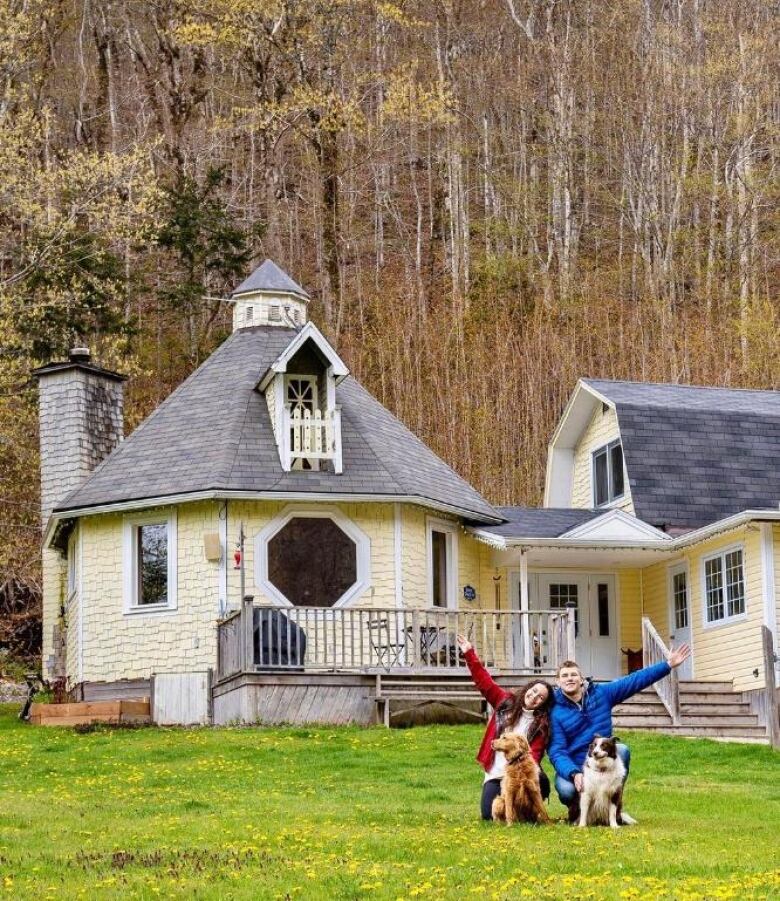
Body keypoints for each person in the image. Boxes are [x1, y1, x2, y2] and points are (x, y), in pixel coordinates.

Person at [549, 644, 691, 824]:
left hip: (603, 760)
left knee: (622, 750)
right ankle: (580, 811)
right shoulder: (554, 712)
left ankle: (613, 809)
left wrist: (667, 665)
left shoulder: (601, 693)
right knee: (567, 790)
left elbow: (634, 680)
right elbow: (557, 752)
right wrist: (575, 773)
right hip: (576, 766)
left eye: (573, 675)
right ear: (558, 682)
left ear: (581, 679)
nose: (569, 679)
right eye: (565, 676)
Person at [456, 634, 554, 821]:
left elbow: (535, 753)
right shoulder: (505, 702)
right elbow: (484, 682)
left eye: (540, 697)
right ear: (527, 689)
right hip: (497, 773)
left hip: (522, 772)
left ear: (542, 703)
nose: (534, 697)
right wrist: (469, 653)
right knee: (488, 814)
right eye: (534, 691)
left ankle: (532, 810)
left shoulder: (541, 723)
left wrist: (525, 773)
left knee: (538, 780)